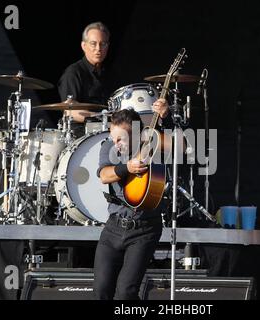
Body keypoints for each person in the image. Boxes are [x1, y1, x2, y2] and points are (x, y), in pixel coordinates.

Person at [94, 98, 170, 300]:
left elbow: (178, 145)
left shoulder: (152, 149)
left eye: (121, 139)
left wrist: (166, 119)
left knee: (126, 292)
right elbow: (104, 176)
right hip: (113, 228)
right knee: (101, 290)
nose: (115, 144)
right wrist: (126, 168)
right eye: (113, 138)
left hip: (144, 229)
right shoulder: (108, 147)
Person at [58, 21, 111, 128]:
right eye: (93, 43)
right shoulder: (73, 73)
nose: (98, 49)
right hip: (82, 133)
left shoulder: (110, 74)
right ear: (83, 45)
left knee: (135, 126)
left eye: (103, 44)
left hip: (107, 129)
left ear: (108, 46)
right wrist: (101, 119)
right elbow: (69, 111)